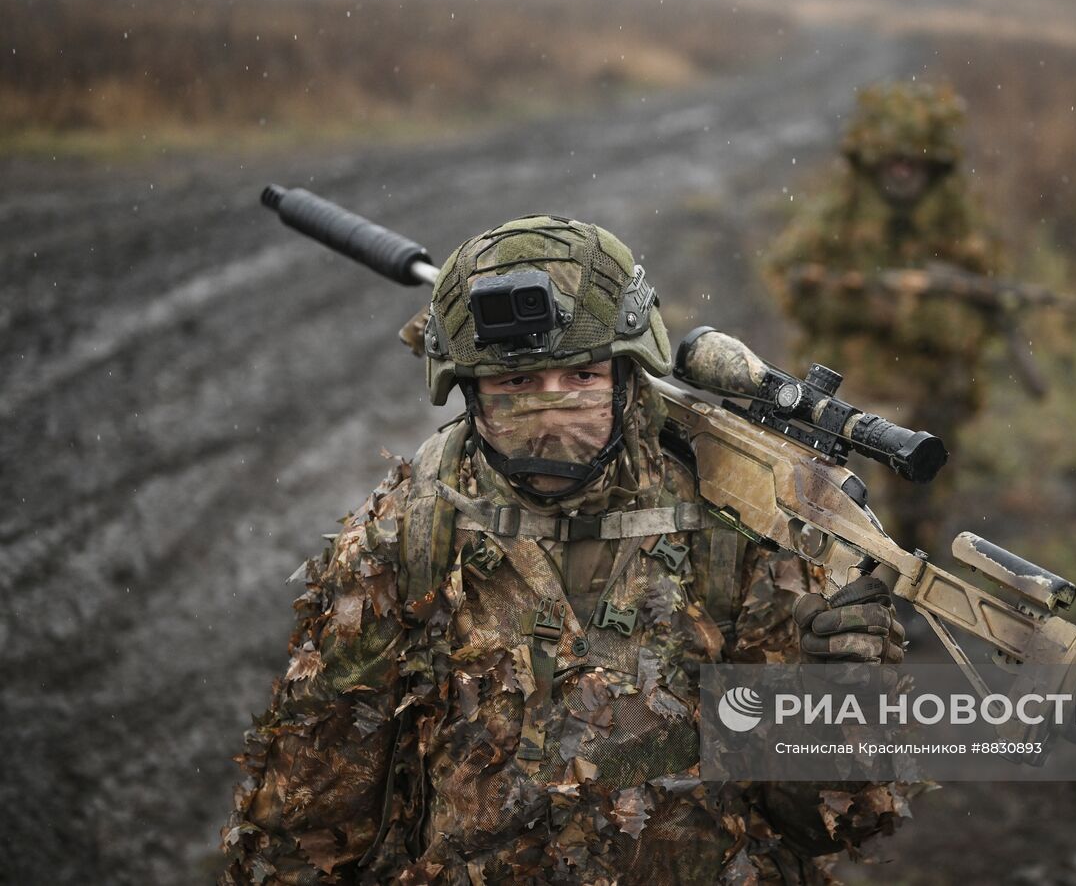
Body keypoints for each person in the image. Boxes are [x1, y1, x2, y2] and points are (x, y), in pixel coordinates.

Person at [220, 214, 912, 884]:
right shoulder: (405, 535)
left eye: (580, 378)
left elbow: (820, 824)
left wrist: (841, 702)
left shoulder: (734, 527)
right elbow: (307, 827)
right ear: (469, 389)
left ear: (627, 376)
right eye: (517, 384)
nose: (551, 414)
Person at [761, 82, 999, 551]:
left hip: (925, 386)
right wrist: (863, 306)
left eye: (914, 162)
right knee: (819, 501)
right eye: (894, 161)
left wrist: (916, 320)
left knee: (918, 504)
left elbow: (981, 316)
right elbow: (790, 281)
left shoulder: (957, 226)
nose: (903, 173)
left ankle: (911, 568)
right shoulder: (840, 215)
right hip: (845, 378)